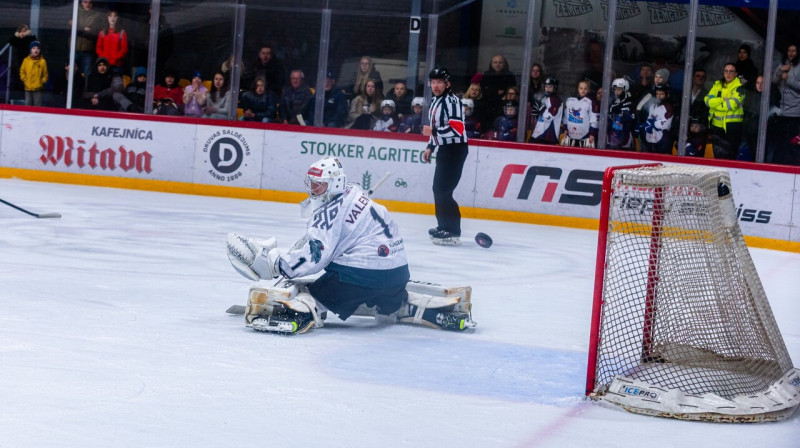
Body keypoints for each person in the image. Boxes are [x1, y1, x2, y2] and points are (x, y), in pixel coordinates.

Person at [224, 157, 414, 333]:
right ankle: (396, 304)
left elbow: (315, 258)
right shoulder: (354, 193)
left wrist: (278, 265)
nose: (313, 189)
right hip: (398, 275)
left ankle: (307, 311)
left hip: (363, 278)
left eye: (319, 185)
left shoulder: (329, 214)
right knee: (376, 285)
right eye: (313, 183)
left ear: (335, 184)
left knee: (315, 294)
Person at [422, 67, 468, 246]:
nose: (435, 85)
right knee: (438, 189)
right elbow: (437, 127)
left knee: (444, 190)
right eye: (433, 82)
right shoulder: (435, 101)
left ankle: (453, 230)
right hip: (445, 149)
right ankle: (443, 226)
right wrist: (430, 146)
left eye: (439, 82)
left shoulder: (452, 101)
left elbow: (458, 129)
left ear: (447, 84)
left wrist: (433, 132)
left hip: (456, 149)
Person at [705, 63, 745, 160]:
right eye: (726, 71)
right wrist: (722, 100)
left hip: (732, 128)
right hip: (716, 127)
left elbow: (731, 104)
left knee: (730, 156)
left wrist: (715, 103)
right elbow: (707, 100)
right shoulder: (717, 84)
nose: (728, 73)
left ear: (736, 74)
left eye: (731, 71)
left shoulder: (740, 87)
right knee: (717, 156)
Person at [770, 44, 800, 165]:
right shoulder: (782, 64)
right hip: (782, 112)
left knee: (792, 144)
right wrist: (780, 70)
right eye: (789, 50)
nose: (791, 53)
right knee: (780, 143)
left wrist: (788, 79)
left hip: (795, 112)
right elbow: (774, 81)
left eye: (794, 51)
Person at [70, 1, 103, 88]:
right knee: (70, 71)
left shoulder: (96, 15)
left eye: (90, 3)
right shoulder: (75, 11)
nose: (87, 5)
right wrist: (84, 29)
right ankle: (71, 90)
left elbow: (95, 32)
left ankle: (85, 90)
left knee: (87, 73)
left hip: (87, 48)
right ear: (81, 3)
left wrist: (78, 28)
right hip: (74, 47)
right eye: (85, 2)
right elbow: (69, 26)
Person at [481, 55, 517, 130]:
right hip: (487, 107)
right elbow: (484, 91)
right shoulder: (486, 75)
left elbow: (511, 91)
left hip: (503, 107)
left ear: (504, 64)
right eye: (495, 62)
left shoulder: (509, 76)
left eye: (500, 62)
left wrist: (495, 92)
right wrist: (497, 92)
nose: (497, 64)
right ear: (491, 64)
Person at [638, 84, 675, 154]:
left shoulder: (668, 107)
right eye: (657, 93)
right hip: (651, 138)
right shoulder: (652, 106)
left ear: (667, 95)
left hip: (663, 139)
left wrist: (652, 124)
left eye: (661, 94)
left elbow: (666, 124)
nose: (659, 96)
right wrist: (644, 125)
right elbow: (649, 119)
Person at [561, 80, 598, 148]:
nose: (583, 90)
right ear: (578, 89)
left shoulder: (590, 102)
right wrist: (565, 129)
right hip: (570, 136)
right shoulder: (570, 101)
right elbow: (566, 117)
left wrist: (592, 134)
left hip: (585, 137)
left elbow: (594, 120)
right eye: (581, 88)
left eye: (585, 88)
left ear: (589, 90)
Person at [530, 77, 563, 145]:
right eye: (546, 87)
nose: (547, 89)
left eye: (550, 87)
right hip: (539, 133)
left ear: (555, 88)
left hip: (548, 135)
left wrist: (540, 111)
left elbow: (550, 116)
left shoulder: (555, 100)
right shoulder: (545, 98)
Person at [8, 25, 38, 98]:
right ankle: (20, 89)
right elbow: (11, 40)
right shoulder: (16, 39)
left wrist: (26, 34)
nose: (23, 32)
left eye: (25, 31)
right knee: (19, 74)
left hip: (28, 59)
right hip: (19, 59)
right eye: (21, 31)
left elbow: (33, 38)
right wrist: (18, 35)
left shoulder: (30, 38)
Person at [95, 10, 128, 75]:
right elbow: (98, 48)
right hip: (104, 65)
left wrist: (116, 57)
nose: (112, 18)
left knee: (116, 83)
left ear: (117, 18)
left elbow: (124, 49)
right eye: (110, 16)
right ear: (107, 18)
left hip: (116, 64)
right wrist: (103, 57)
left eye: (114, 16)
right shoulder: (102, 32)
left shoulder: (121, 32)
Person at [607, 78, 635, 150]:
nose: (616, 92)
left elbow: (632, 118)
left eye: (619, 89)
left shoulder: (630, 102)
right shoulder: (612, 102)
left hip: (625, 135)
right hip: (612, 135)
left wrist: (621, 112)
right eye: (615, 89)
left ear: (625, 89)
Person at [20, 41, 48, 107]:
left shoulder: (42, 61)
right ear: (30, 50)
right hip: (28, 87)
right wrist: (25, 80)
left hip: (38, 88)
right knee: (28, 104)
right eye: (34, 48)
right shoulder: (26, 60)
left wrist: (41, 82)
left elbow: (45, 74)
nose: (36, 50)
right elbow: (22, 72)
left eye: (38, 48)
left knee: (37, 105)